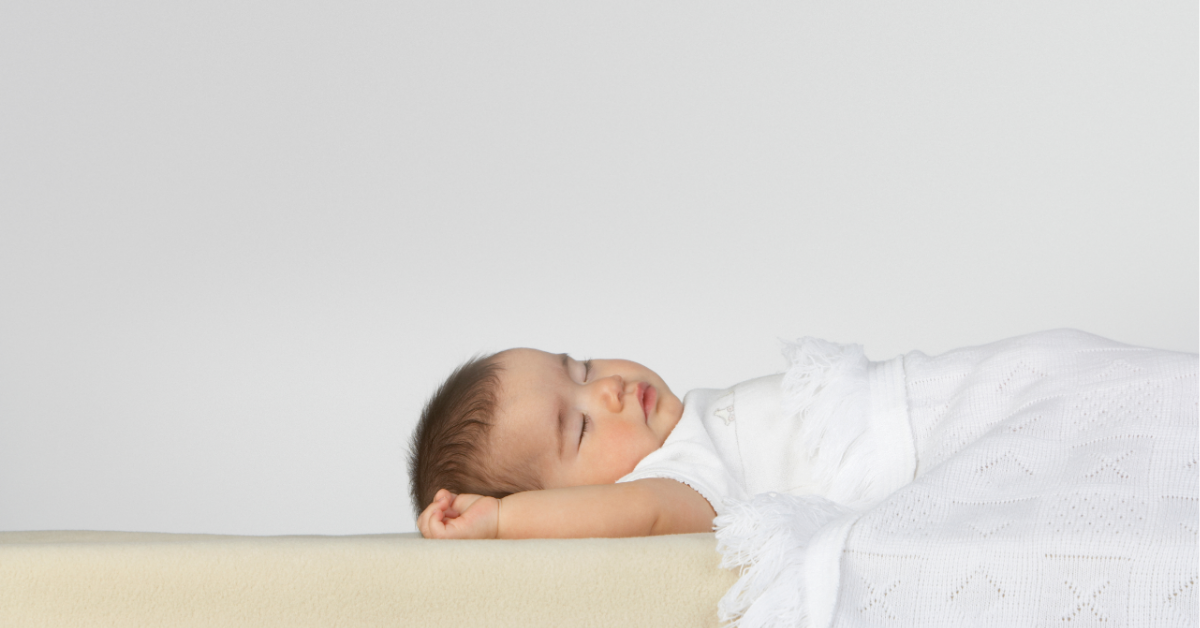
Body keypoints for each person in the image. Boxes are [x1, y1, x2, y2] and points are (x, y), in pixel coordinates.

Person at [409, 337, 905, 539]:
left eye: (580, 368)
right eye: (579, 427)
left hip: (900, 399)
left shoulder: (691, 427)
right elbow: (640, 511)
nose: (606, 389)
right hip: (904, 457)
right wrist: (498, 521)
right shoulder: (675, 478)